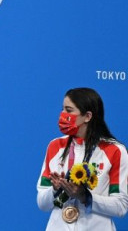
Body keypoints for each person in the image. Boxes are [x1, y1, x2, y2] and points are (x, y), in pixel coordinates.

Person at [37, 87, 128, 229]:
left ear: (87, 116)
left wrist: (85, 196)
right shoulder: (55, 146)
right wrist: (54, 190)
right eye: (62, 109)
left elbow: (121, 207)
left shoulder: (114, 150)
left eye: (69, 110)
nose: (62, 115)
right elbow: (42, 204)